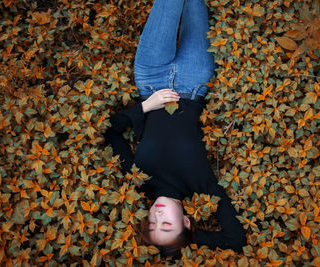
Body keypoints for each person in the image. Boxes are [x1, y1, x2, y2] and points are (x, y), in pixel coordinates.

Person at [104, 0, 247, 258]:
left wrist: (147, 106)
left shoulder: (138, 180)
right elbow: (236, 240)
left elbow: (111, 132)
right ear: (186, 222)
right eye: (167, 225)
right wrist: (187, 239)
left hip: (151, 79)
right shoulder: (201, 184)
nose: (157, 216)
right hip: (194, 80)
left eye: (151, 223)